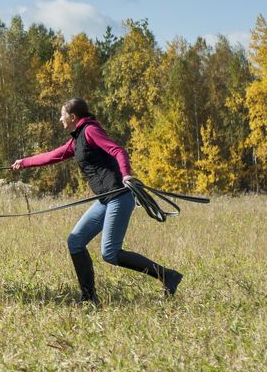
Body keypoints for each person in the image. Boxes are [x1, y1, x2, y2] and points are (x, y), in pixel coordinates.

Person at [11, 97, 183, 304]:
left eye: (62, 115)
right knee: (75, 242)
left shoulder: (90, 131)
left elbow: (118, 151)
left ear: (73, 117)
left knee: (110, 252)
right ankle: (89, 298)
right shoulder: (77, 139)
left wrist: (126, 175)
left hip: (119, 197)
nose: (60, 119)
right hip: (105, 200)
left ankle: (167, 276)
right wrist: (24, 163)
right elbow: (52, 156)